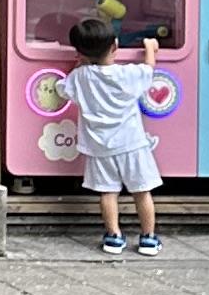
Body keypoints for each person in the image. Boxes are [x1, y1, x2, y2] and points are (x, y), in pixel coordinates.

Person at [60, 15, 163, 257]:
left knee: (108, 193)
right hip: (132, 145)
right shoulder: (127, 74)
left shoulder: (80, 77)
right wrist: (150, 47)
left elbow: (62, 90)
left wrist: (80, 65)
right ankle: (148, 238)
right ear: (115, 46)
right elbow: (148, 69)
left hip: (99, 149)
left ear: (79, 53)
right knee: (142, 191)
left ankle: (114, 237)